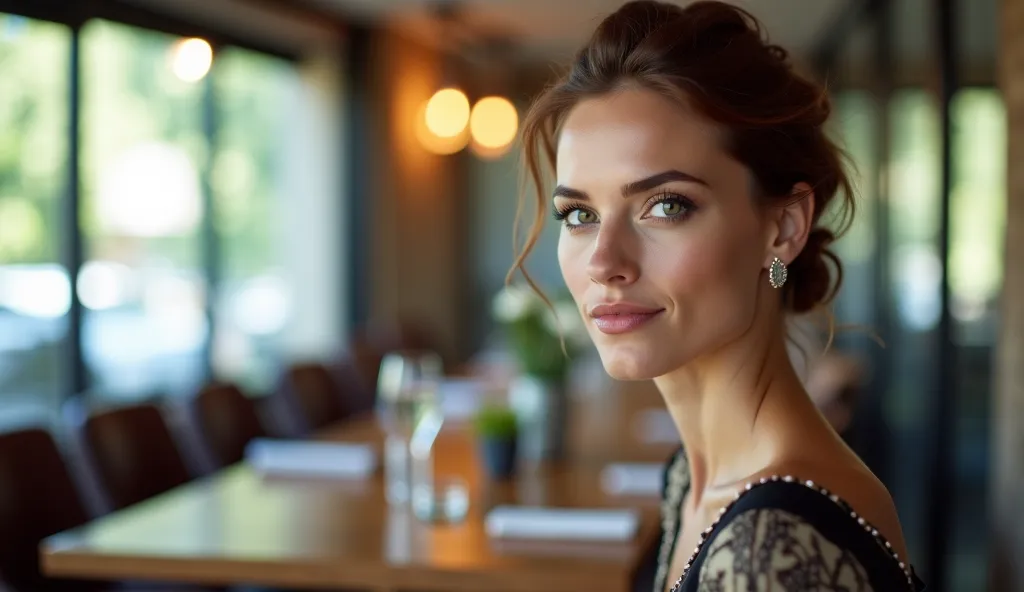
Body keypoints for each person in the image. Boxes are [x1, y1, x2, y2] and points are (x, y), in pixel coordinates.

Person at [510, 1, 926, 590]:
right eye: (579, 214)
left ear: (782, 229)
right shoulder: (694, 477)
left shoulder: (770, 550)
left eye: (666, 206)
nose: (604, 261)